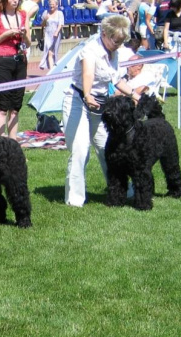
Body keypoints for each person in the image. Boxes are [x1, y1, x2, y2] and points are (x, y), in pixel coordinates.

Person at [62, 15, 141, 208]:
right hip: (78, 101)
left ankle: (123, 190)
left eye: (122, 41)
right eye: (116, 41)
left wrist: (134, 95)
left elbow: (115, 79)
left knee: (109, 149)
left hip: (100, 106)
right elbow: (88, 73)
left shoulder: (116, 53)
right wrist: (88, 94)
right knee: (81, 150)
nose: (119, 45)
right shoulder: (90, 51)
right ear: (104, 34)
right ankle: (75, 200)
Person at [0, 0, 32, 139]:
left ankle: (13, 143)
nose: (15, 1)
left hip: (20, 61)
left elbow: (28, 43)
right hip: (1, 63)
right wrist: (5, 35)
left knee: (16, 107)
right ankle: (0, 143)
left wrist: (23, 35)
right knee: (2, 107)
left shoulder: (23, 15)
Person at [39, 0, 64, 70]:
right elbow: (42, 25)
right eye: (50, 4)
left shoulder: (60, 13)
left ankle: (55, 68)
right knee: (49, 52)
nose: (51, 6)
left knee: (54, 53)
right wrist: (45, 20)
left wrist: (56, 32)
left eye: (53, 4)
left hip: (56, 35)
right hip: (47, 35)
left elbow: (60, 24)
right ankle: (51, 72)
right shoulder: (46, 13)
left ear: (56, 5)